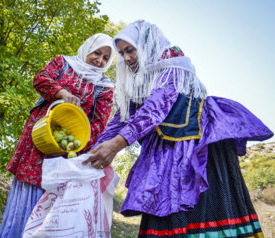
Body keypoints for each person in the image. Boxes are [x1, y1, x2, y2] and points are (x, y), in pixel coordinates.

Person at [84, 20, 273, 237]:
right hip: (165, 149)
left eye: (130, 50)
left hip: (198, 146)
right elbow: (122, 118)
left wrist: (116, 144)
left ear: (145, 46)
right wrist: (93, 149)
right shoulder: (137, 80)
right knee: (163, 204)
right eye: (122, 53)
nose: (126, 58)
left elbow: (157, 106)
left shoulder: (171, 57)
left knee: (199, 205)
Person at [0, 33, 115, 238]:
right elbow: (40, 79)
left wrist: (78, 144)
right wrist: (61, 93)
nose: (100, 60)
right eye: (97, 53)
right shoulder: (63, 63)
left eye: (106, 57)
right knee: (28, 188)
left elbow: (99, 123)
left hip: (67, 150)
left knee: (52, 201)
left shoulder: (104, 88)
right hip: (39, 137)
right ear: (88, 48)